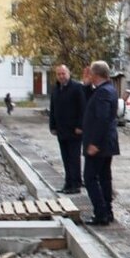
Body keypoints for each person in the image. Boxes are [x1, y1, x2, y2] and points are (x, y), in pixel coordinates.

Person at [81, 60, 120, 225]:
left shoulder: (104, 92)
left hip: (100, 144)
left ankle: (100, 213)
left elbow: (102, 119)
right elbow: (90, 100)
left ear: (95, 74)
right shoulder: (107, 89)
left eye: (90, 73)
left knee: (90, 177)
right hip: (107, 143)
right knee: (104, 178)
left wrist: (94, 143)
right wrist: (86, 85)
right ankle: (107, 212)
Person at [48, 64, 86, 194]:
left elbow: (83, 109)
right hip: (61, 130)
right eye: (59, 74)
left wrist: (80, 126)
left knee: (74, 158)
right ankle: (68, 183)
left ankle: (75, 184)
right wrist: (52, 126)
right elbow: (53, 109)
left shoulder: (77, 88)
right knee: (65, 158)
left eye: (63, 73)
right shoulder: (56, 89)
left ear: (68, 74)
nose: (61, 76)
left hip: (74, 131)